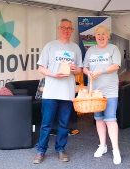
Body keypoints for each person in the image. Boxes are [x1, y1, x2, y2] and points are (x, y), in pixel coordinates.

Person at [33, 18, 83, 164]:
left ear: (72, 31)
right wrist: (53, 74)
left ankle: (60, 149)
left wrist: (76, 70)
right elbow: (40, 67)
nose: (66, 30)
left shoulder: (75, 48)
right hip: (50, 92)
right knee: (46, 123)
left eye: (69, 28)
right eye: (63, 27)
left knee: (64, 124)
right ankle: (41, 150)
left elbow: (79, 69)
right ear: (59, 29)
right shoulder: (50, 46)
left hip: (67, 93)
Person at [83, 25, 122, 165]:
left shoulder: (113, 49)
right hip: (94, 92)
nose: (100, 36)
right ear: (95, 36)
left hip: (110, 91)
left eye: (103, 34)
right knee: (98, 119)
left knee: (110, 119)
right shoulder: (90, 51)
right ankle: (102, 146)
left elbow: (116, 66)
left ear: (108, 36)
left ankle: (116, 150)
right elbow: (85, 68)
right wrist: (89, 73)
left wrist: (101, 71)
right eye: (98, 34)